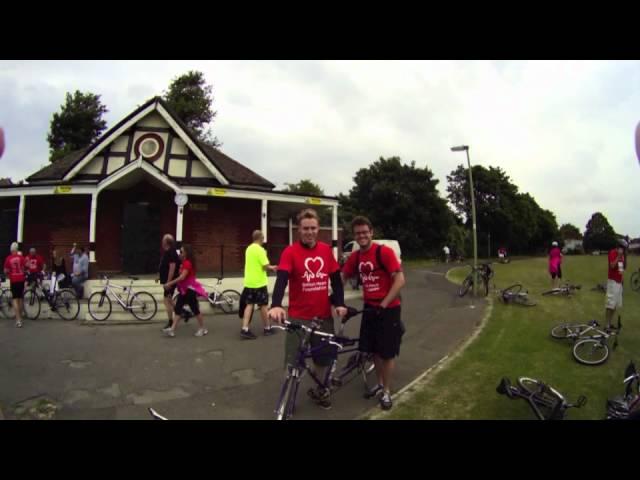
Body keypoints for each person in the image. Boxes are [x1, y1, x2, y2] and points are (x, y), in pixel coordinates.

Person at [268, 208, 347, 410]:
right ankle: (288, 398)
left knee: (323, 360)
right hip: (298, 318)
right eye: (305, 228)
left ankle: (322, 391)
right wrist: (276, 304)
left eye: (313, 228)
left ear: (318, 228)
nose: (309, 232)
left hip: (323, 317)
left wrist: (339, 303)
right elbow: (282, 280)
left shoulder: (325, 250)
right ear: (298, 229)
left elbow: (336, 280)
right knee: (293, 362)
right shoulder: (290, 252)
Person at [341, 216, 406, 411]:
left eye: (364, 232)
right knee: (374, 351)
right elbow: (343, 276)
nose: (361, 236)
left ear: (371, 232)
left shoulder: (384, 252)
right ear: (354, 236)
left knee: (386, 353)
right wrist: (335, 298)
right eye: (357, 233)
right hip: (370, 309)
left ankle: (386, 391)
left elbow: (400, 280)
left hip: (388, 308)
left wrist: (384, 304)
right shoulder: (356, 257)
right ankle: (379, 383)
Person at [163, 244, 208, 338]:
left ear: (186, 253)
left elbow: (182, 277)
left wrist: (169, 283)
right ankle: (172, 330)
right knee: (178, 309)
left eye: (182, 251)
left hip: (189, 290)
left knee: (195, 310)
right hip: (184, 291)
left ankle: (202, 328)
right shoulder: (184, 263)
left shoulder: (187, 263)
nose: (180, 253)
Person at [240, 230, 277, 339]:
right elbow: (265, 266)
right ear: (261, 238)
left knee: (249, 304)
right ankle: (267, 328)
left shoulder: (248, 249)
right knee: (263, 306)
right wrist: (273, 268)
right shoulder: (260, 250)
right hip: (259, 283)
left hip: (249, 282)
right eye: (263, 238)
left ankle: (245, 329)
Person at [158, 234, 181, 330]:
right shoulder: (169, 252)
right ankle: (182, 312)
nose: (162, 242)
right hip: (168, 281)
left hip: (170, 282)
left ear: (166, 242)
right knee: (169, 299)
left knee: (166, 301)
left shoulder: (170, 252)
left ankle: (171, 322)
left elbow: (172, 268)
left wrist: (168, 282)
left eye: (163, 240)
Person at [605, 238, 627, 330]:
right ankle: (607, 325)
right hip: (612, 282)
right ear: (618, 247)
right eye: (623, 248)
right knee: (610, 304)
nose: (624, 250)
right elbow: (612, 266)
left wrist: (622, 280)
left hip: (619, 282)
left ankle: (610, 323)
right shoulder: (613, 253)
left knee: (615, 304)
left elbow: (621, 269)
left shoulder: (622, 256)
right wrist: (618, 256)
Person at [4, 242, 27, 328]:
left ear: (11, 250)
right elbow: (25, 267)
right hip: (21, 279)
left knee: (15, 299)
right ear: (17, 250)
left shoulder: (8, 258)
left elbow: (6, 270)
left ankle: (18, 320)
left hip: (13, 280)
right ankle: (20, 318)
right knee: (20, 298)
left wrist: (9, 275)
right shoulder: (21, 257)